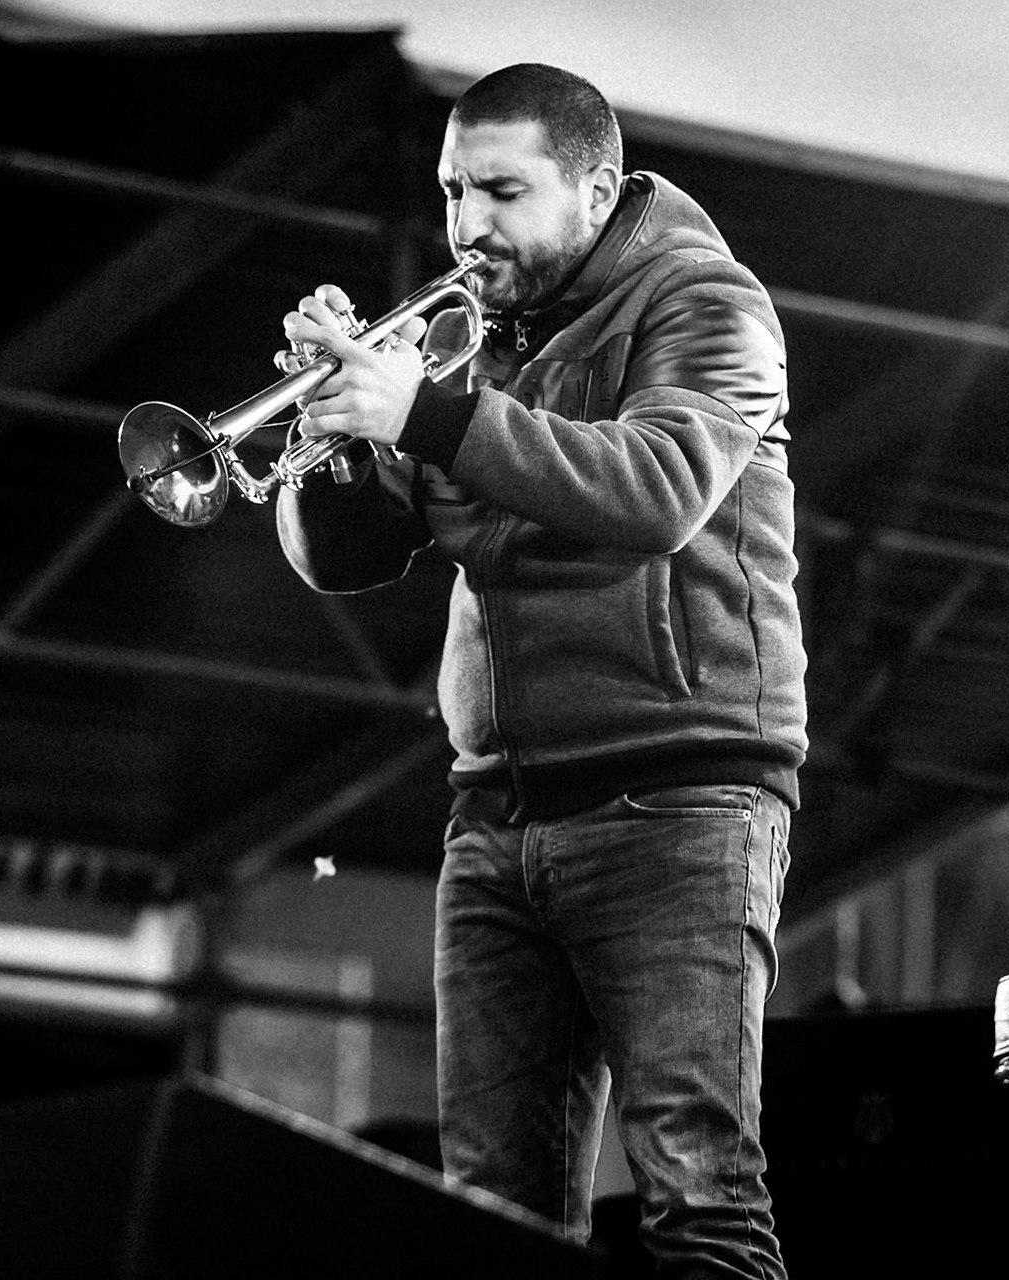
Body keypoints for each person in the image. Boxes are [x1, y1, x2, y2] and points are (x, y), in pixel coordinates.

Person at [275, 62, 807, 1280]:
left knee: (698, 1190)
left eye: (503, 191)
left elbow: (658, 488)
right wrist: (329, 439)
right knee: (490, 1216)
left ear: (596, 188)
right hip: (497, 817)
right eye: (456, 190)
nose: (468, 226)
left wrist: (420, 413)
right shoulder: (475, 346)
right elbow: (348, 558)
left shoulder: (710, 306)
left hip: (680, 804)